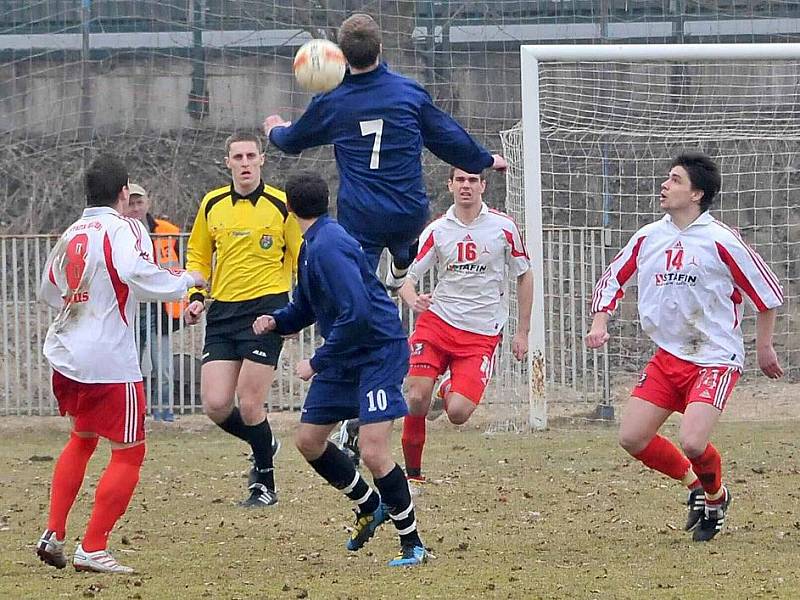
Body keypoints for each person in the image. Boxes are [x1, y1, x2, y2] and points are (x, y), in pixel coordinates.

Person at [265, 12, 507, 455]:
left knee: (352, 307)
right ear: (380, 50)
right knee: (401, 259)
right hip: (409, 215)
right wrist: (483, 160)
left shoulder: (333, 100)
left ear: (340, 55)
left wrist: (274, 129)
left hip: (360, 220)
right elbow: (446, 138)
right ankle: (402, 264)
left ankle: (351, 388)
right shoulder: (408, 93)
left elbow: (293, 140)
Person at [585, 152, 784, 542]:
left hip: (714, 357)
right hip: (669, 356)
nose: (665, 185)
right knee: (632, 437)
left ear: (697, 193)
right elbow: (613, 277)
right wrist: (600, 319)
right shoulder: (648, 236)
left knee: (693, 440)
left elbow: (767, 294)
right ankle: (696, 485)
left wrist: (764, 347)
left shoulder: (721, 239)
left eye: (675, 180)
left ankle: (715, 497)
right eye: (667, 178)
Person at [35, 156, 206, 573]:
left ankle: (53, 532)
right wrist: (186, 280)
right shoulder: (123, 226)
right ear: (124, 192)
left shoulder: (72, 231)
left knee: (82, 438)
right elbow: (136, 273)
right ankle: (92, 548)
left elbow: (48, 291)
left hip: (67, 352)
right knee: (130, 451)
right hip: (108, 359)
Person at [252, 171, 428, 567]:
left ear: (288, 207)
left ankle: (413, 543)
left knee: (372, 449)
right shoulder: (312, 245)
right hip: (347, 350)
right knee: (309, 440)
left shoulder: (329, 245)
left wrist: (316, 362)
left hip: (376, 351)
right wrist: (277, 321)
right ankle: (369, 505)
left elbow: (359, 313)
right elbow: (308, 306)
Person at [184, 131, 303, 508]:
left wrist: (301, 306)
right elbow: (198, 256)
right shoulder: (212, 204)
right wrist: (196, 296)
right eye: (238, 157)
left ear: (263, 160)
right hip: (222, 313)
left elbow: (303, 258)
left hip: (265, 312)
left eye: (252, 155)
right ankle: (264, 442)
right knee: (216, 405)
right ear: (228, 162)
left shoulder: (282, 205)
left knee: (251, 404)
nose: (245, 163)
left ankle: (264, 484)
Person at [398, 168, 532, 486]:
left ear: (483, 186)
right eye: (460, 180)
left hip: (481, 333)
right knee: (416, 396)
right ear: (450, 185)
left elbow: (524, 274)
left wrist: (523, 331)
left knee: (458, 412)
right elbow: (407, 278)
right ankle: (413, 477)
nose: (466, 186)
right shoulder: (438, 229)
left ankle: (446, 390)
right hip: (437, 323)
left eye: (473, 180)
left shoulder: (503, 227)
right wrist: (413, 299)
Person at [125, 183, 184, 422]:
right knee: (128, 368)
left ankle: (164, 415)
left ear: (147, 203)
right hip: (130, 306)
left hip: (159, 308)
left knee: (164, 368)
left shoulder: (168, 230)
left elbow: (181, 266)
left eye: (139, 203)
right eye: (131, 203)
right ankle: (133, 414)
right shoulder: (118, 231)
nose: (136, 208)